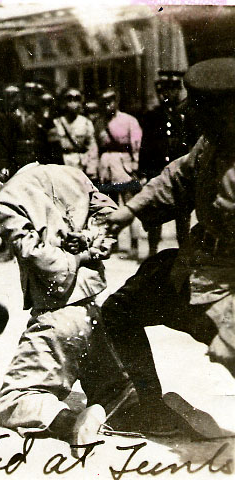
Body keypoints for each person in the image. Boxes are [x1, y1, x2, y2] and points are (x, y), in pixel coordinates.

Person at [101, 58, 235, 433]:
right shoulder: (212, 142)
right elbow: (178, 175)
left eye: (200, 106)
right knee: (120, 310)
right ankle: (149, 408)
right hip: (193, 270)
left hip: (226, 290)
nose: (190, 111)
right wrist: (129, 211)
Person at [0, 161, 133, 456]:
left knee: (13, 400)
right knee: (114, 391)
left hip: (56, 311)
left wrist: (75, 258)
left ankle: (72, 422)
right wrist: (94, 243)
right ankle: (142, 408)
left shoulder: (8, 195)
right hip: (92, 308)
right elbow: (109, 217)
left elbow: (35, 254)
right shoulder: (73, 174)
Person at [139, 71, 192, 254]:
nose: (168, 94)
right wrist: (144, 172)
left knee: (182, 213)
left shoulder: (186, 113)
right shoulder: (153, 115)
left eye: (173, 89)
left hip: (181, 169)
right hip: (157, 169)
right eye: (164, 90)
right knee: (156, 210)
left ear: (179, 90)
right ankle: (152, 250)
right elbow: (145, 145)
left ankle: (184, 252)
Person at [93, 88, 143, 258]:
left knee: (130, 205)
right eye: (104, 102)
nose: (108, 105)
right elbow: (96, 146)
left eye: (111, 100)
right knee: (108, 206)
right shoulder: (99, 122)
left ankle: (134, 243)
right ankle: (112, 243)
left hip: (123, 165)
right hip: (105, 166)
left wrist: (135, 165)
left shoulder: (129, 120)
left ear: (117, 101)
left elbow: (136, 143)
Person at [52, 88, 98, 173]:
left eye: (76, 99)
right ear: (64, 102)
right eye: (69, 99)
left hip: (80, 164)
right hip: (62, 164)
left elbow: (92, 148)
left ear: (80, 103)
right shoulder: (57, 123)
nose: (73, 103)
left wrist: (91, 169)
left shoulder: (86, 123)